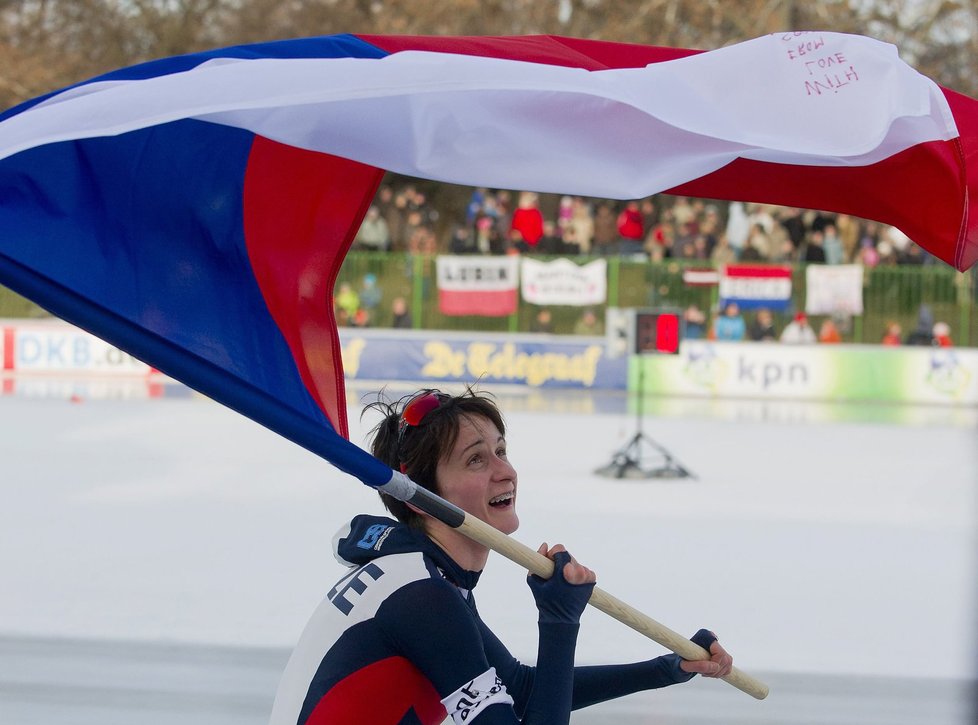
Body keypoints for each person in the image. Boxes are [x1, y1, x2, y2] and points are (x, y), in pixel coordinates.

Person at [270, 389, 732, 725]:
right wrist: (558, 620)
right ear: (420, 497)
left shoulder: (427, 579)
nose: (505, 471)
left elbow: (523, 693)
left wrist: (667, 669)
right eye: (476, 460)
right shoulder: (420, 598)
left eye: (501, 451)